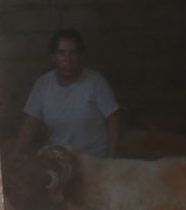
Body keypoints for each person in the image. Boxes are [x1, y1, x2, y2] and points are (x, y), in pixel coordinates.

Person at [16, 28, 121, 159]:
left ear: (81, 56)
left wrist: (111, 159)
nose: (68, 59)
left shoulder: (95, 83)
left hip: (93, 162)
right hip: (58, 160)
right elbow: (30, 123)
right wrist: (18, 153)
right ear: (53, 58)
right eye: (62, 53)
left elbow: (114, 120)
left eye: (73, 53)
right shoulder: (43, 84)